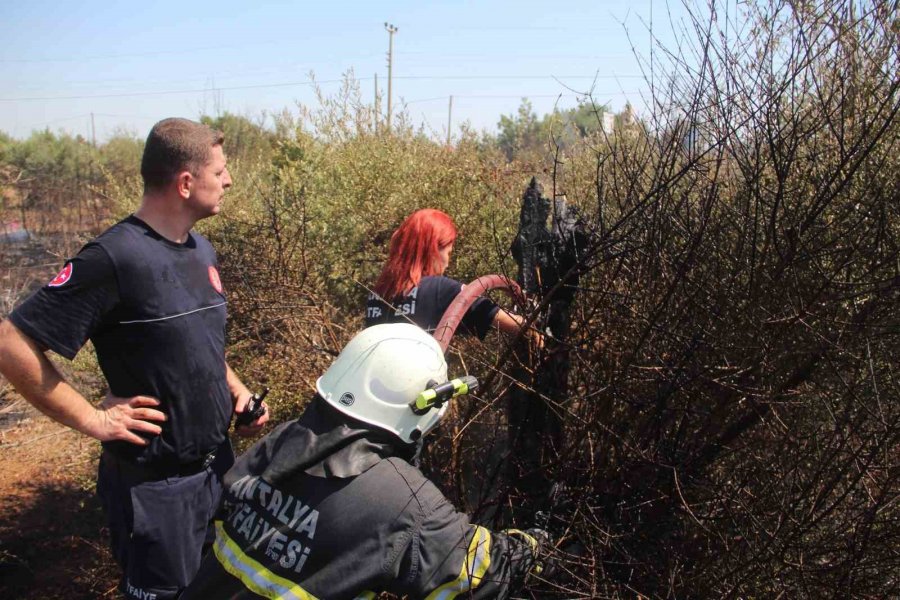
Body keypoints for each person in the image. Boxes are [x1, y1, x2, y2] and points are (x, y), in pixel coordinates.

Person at [0, 118, 269, 600]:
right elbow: (10, 340)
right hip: (157, 491)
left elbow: (197, 344)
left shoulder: (199, 248)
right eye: (221, 171)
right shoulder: (113, 258)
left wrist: (237, 392)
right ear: (186, 183)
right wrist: (92, 418)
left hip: (217, 472)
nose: (228, 181)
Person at [182, 323, 555, 599]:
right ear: (422, 407)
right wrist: (537, 544)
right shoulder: (404, 502)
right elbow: (484, 571)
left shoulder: (284, 438)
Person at [365, 208, 540, 344]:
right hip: (421, 389)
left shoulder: (376, 294)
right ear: (433, 250)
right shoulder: (441, 289)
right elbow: (514, 325)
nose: (448, 262)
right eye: (448, 253)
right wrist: (537, 326)